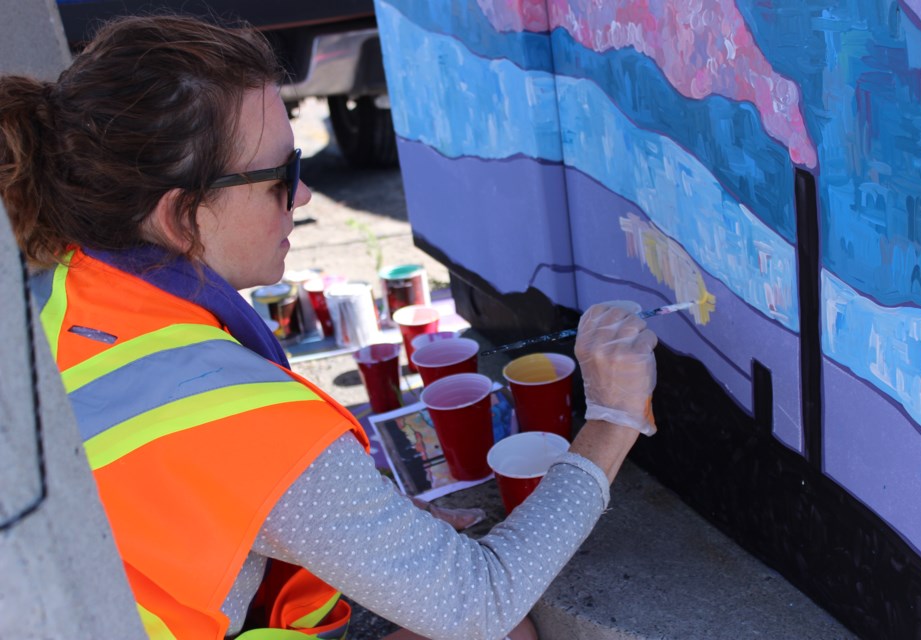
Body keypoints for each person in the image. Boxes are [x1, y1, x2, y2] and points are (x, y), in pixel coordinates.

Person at [0, 14, 659, 640]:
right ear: (181, 217)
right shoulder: (236, 415)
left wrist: (365, 525)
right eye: (281, 176)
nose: (307, 194)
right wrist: (612, 417)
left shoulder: (67, 286)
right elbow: (477, 602)